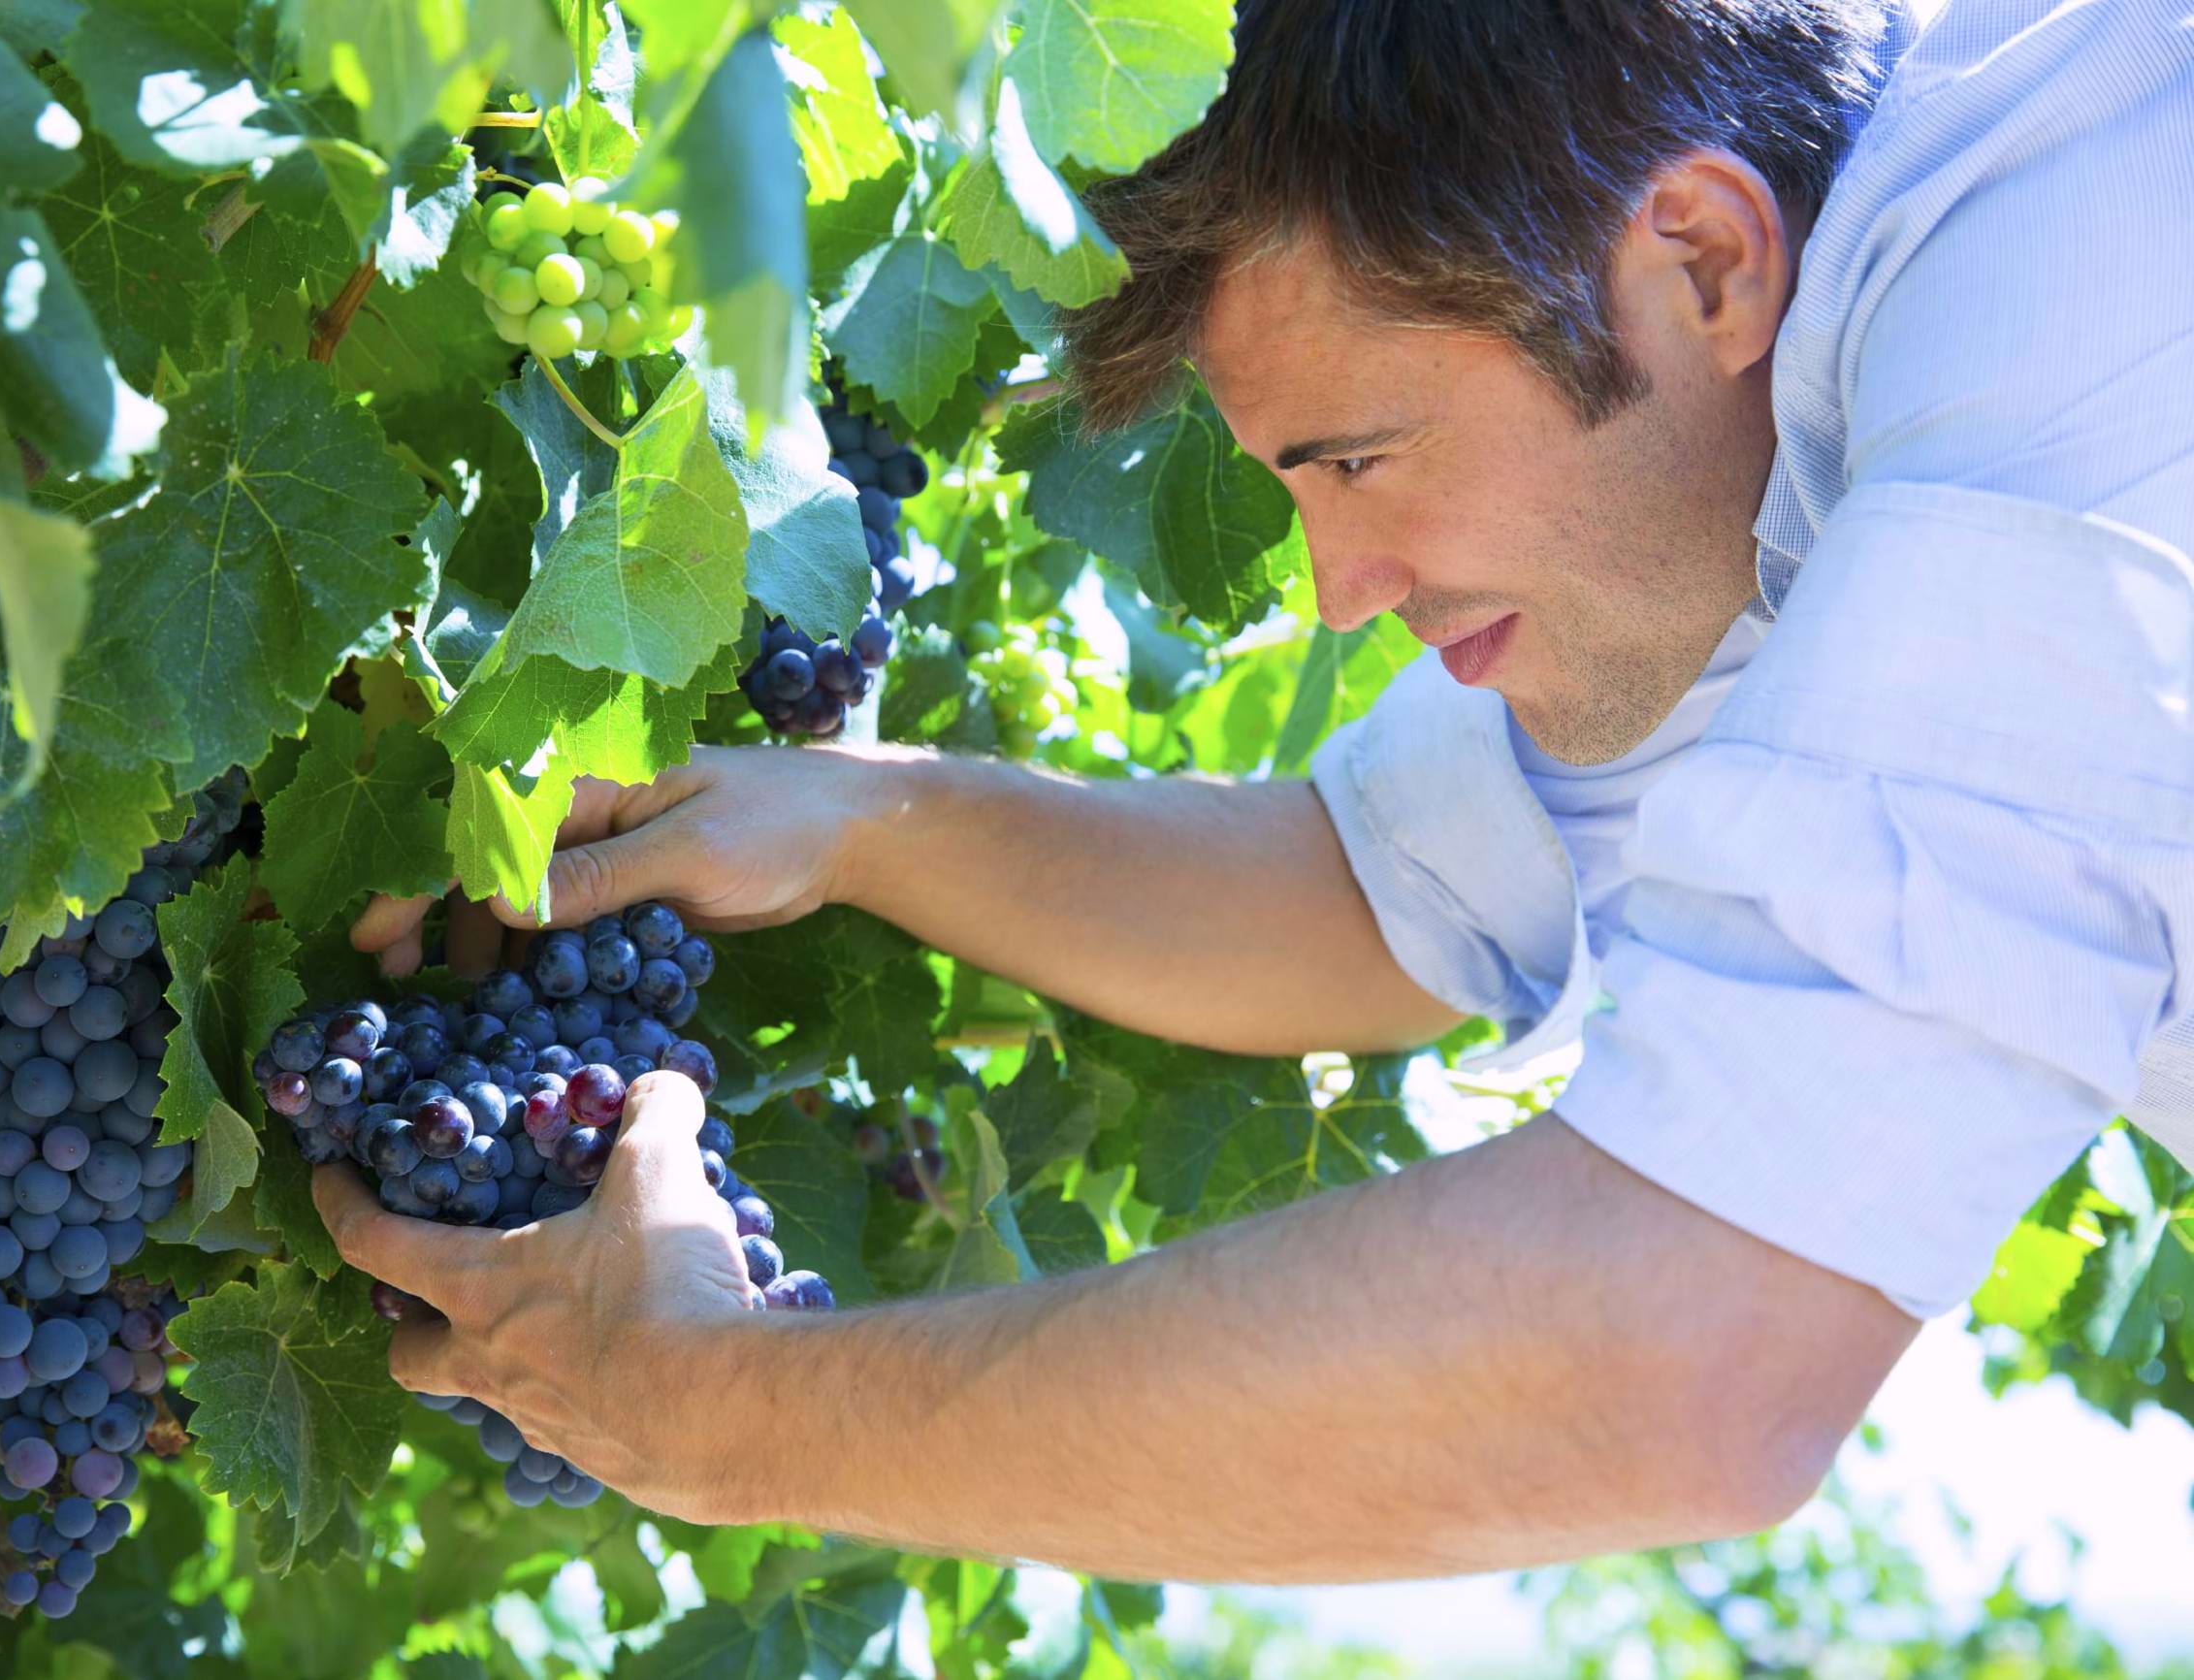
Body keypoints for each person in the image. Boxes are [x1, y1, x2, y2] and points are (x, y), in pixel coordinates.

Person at [317, 0, 2194, 1584]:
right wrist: (850, 818)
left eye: (1360, 460)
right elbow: (1376, 897)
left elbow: (1682, 1347)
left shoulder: (2090, 272)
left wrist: (709, 1412)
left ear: (1700, 257)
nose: (1341, 591)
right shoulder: (1761, 471)